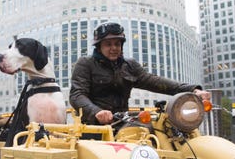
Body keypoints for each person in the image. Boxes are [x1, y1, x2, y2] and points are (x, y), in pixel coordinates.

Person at [69, 22, 211, 125]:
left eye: (117, 44)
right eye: (108, 44)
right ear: (99, 47)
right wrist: (96, 112)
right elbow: (77, 95)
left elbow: (154, 81)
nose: (113, 48)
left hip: (123, 123)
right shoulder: (86, 63)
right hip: (93, 126)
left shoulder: (129, 66)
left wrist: (192, 89)